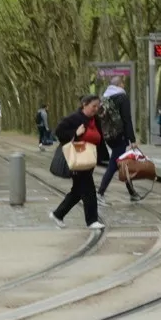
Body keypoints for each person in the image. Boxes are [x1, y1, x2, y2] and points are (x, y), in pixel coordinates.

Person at [49, 95, 105, 231]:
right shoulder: (74, 118)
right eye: (94, 106)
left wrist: (104, 158)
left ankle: (58, 214)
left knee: (78, 191)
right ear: (84, 104)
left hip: (88, 159)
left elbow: (100, 138)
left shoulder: (94, 119)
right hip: (77, 160)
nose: (96, 109)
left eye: (98, 106)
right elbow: (59, 132)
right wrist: (76, 132)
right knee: (89, 189)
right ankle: (92, 220)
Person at [95, 75, 141, 204]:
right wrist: (132, 139)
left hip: (108, 136)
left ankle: (132, 192)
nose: (124, 86)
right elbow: (127, 119)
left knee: (122, 163)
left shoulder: (105, 98)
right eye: (123, 84)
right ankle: (100, 192)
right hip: (119, 135)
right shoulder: (122, 97)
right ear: (120, 85)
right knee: (114, 164)